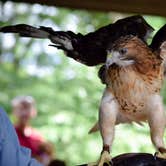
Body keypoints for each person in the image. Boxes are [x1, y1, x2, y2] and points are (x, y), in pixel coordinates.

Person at [12, 96, 53, 166]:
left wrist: (48, 153)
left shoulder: (38, 137)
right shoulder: (8, 134)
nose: (24, 113)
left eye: (28, 108)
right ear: (14, 112)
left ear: (34, 112)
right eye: (21, 108)